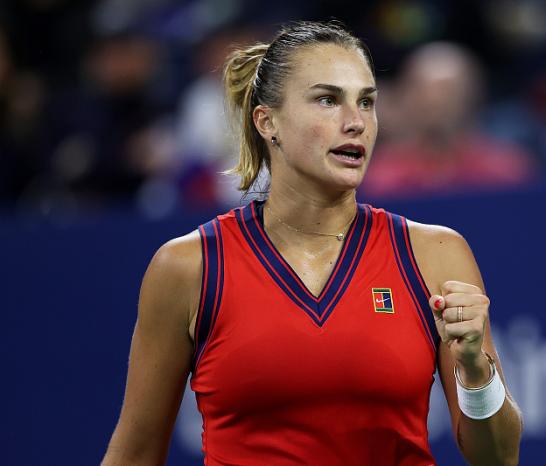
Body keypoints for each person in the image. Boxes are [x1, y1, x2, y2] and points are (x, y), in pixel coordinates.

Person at [101, 21, 523, 466]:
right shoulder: (189, 266)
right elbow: (135, 453)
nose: (356, 122)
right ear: (268, 122)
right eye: (328, 100)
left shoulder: (435, 254)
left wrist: (476, 370)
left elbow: (498, 458)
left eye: (366, 102)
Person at [362, 41, 536, 200]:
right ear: (406, 97)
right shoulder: (381, 176)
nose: (435, 101)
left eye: (447, 91)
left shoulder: (505, 170)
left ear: (473, 95)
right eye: (423, 90)